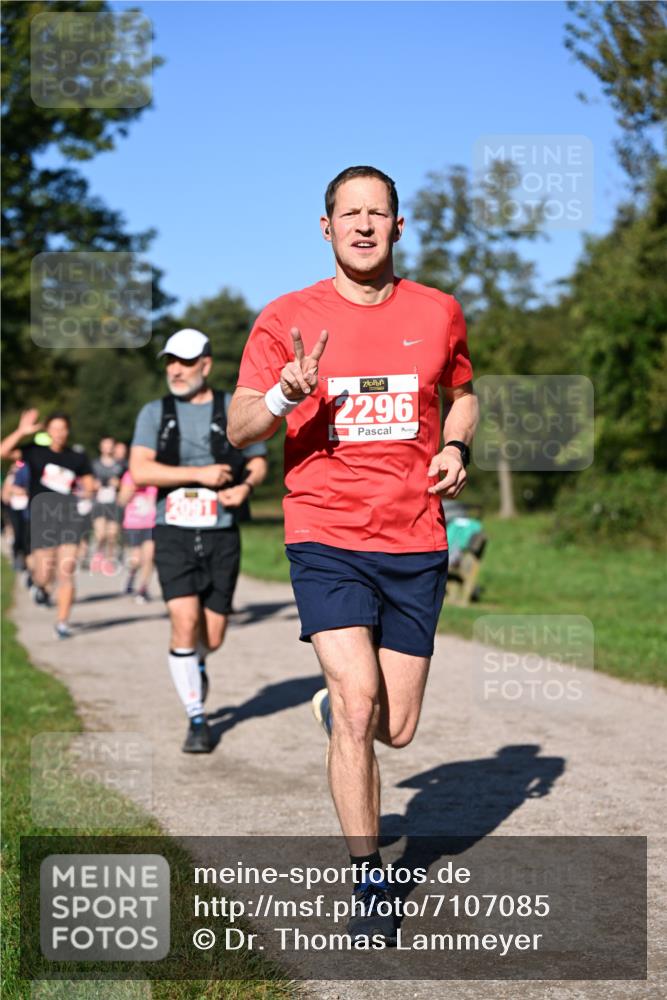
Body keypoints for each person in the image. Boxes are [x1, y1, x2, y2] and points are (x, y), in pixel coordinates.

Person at [227, 165, 478, 943]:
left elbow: (462, 390)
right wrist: (283, 394)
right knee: (360, 706)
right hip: (324, 533)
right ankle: (369, 878)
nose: (364, 225)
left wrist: (457, 443)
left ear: (397, 227)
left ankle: (341, 709)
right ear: (325, 226)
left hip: (414, 537)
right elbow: (238, 429)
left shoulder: (438, 312)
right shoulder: (287, 317)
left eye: (378, 213)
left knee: (395, 728)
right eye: (349, 213)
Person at [129, 328, 268, 754]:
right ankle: (197, 718)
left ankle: (198, 662)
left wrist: (244, 489)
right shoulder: (155, 412)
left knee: (214, 633)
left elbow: (258, 461)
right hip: (172, 530)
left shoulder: (233, 407)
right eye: (171, 360)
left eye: (186, 361)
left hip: (221, 532)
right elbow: (141, 471)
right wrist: (199, 475)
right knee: (183, 621)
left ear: (205, 364)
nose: (176, 369)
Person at [1, 409, 95, 637]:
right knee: (44, 573)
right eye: (54, 429)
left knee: (66, 571)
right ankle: (39, 585)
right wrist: (21, 431)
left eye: (63, 429)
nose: (59, 433)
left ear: (68, 431)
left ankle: (62, 622)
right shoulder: (34, 453)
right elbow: (3, 453)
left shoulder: (77, 457)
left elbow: (89, 485)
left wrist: (84, 494)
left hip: (69, 519)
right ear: (47, 430)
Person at [117, 468, 157, 602]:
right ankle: (132, 575)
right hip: (133, 523)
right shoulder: (130, 475)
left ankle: (143, 589)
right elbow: (121, 500)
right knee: (136, 559)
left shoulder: (156, 474)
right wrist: (134, 487)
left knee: (149, 557)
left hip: (152, 523)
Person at [90, 436, 125, 574]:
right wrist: (94, 485)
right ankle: (98, 553)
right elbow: (87, 482)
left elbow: (127, 483)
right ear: (101, 447)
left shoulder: (120, 465)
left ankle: (109, 560)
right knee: (100, 534)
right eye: (105, 445)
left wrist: (119, 485)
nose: (108, 447)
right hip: (99, 502)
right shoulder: (94, 464)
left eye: (111, 445)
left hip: (114, 502)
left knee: (112, 535)